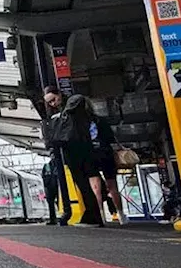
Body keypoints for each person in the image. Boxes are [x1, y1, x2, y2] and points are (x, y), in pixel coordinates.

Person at [59, 94, 104, 226]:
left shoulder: (68, 118)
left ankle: (92, 216)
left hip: (74, 156)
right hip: (89, 153)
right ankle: (95, 215)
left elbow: (63, 138)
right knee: (89, 186)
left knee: (83, 186)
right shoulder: (90, 117)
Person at [88, 110, 128, 224]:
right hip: (105, 153)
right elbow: (111, 137)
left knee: (96, 188)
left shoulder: (79, 122)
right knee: (112, 186)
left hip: (90, 154)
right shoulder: (101, 120)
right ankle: (121, 215)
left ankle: (101, 217)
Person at [41, 86, 73, 225]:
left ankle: (70, 211)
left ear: (60, 94)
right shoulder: (50, 117)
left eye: (53, 99)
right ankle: (66, 211)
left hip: (69, 151)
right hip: (58, 154)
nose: (53, 104)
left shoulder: (69, 111)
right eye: (49, 102)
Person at [40, 161, 59, 225]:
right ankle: (53, 219)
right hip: (51, 187)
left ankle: (57, 217)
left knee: (56, 203)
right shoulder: (47, 166)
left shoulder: (58, 164)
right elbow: (43, 176)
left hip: (56, 186)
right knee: (51, 204)